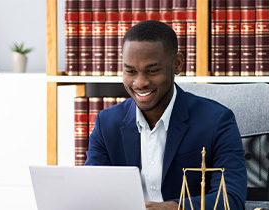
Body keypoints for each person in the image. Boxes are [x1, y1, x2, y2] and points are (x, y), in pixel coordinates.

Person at [84, 20, 247, 210]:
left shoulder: (217, 121)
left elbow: (231, 199)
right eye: (130, 71)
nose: (140, 82)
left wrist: (170, 208)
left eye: (152, 71)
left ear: (177, 64)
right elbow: (93, 194)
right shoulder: (107, 123)